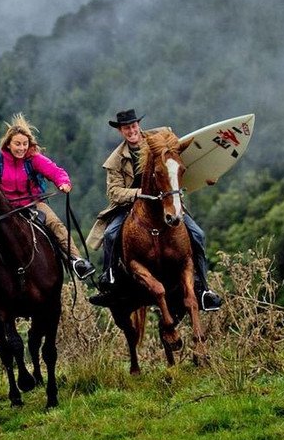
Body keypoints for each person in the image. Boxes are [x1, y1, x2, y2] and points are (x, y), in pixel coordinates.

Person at [86, 108, 222, 311]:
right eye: (126, 128)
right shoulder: (115, 160)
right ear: (120, 131)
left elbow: (179, 164)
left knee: (198, 235)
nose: (131, 131)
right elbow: (114, 192)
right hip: (131, 205)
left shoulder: (161, 139)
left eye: (133, 126)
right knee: (110, 235)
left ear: (138, 125)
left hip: (167, 202)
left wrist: (205, 177)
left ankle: (203, 288)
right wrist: (138, 193)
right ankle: (109, 280)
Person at [0, 113, 95, 280]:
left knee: (55, 224)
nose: (22, 148)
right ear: (8, 144)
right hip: (5, 208)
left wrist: (63, 183)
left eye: (25, 144)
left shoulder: (33, 159)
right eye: (17, 144)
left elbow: (56, 171)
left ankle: (76, 261)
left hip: (33, 204)